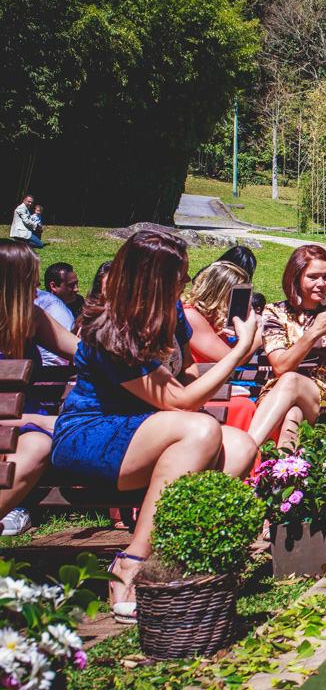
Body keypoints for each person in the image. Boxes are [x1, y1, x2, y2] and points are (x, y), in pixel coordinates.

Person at [49, 231, 261, 622]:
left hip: (148, 432)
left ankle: (171, 556)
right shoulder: (109, 329)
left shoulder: (173, 313)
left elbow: (188, 373)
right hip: (93, 436)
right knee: (199, 430)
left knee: (242, 445)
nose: (186, 281)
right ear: (153, 279)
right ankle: (129, 565)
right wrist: (240, 351)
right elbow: (180, 401)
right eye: (179, 275)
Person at [247, 246, 326, 449]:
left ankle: (246, 449)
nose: (321, 284)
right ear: (296, 278)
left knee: (291, 380)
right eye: (313, 277)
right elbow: (281, 367)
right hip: (278, 396)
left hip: (323, 399)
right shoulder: (276, 312)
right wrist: (314, 332)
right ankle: (284, 476)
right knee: (292, 417)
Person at [0, 241, 80, 536]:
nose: (38, 287)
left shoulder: (31, 316)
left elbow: (83, 352)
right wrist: (38, 420)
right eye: (30, 279)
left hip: (23, 425)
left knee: (38, 445)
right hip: (21, 420)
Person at [179, 261, 261, 432]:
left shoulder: (212, 319)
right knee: (244, 406)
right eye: (239, 295)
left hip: (216, 389)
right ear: (221, 293)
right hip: (198, 393)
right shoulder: (190, 316)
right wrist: (258, 334)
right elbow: (232, 359)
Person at [35, 263, 77, 366]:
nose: (38, 284)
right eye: (30, 277)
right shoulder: (52, 305)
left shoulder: (34, 313)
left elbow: (79, 350)